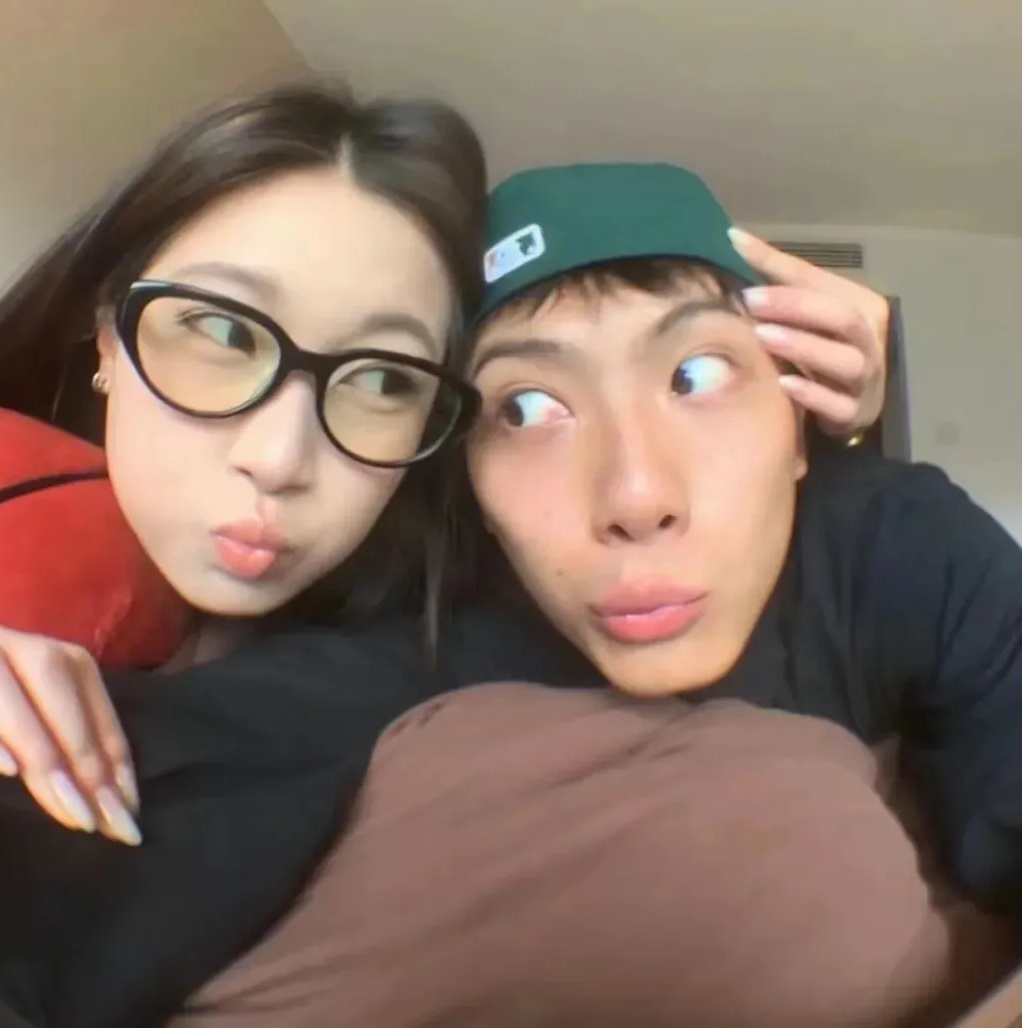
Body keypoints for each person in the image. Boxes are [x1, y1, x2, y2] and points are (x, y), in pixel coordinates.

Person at [158, 165, 1022, 1027]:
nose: (636, 497)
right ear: (469, 483)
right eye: (527, 409)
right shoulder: (413, 641)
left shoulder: (895, 539)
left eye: (695, 376)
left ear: (796, 431)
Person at [0, 80, 486, 844]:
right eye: (225, 334)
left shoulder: (424, 689)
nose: (279, 459)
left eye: (382, 381)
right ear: (109, 336)